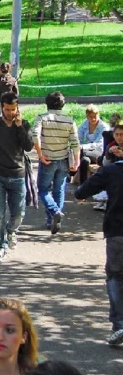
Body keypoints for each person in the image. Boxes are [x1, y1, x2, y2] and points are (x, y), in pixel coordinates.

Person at [74, 131, 123, 346]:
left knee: (115, 276)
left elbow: (82, 191)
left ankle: (119, 324)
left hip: (117, 230)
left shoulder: (111, 171)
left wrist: (80, 193)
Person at [0, 92, 33, 263]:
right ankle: (0, 247)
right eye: (7, 109)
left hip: (18, 175)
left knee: (18, 213)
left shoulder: (24, 124)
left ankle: (11, 230)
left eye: (13, 109)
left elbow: (28, 146)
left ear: (17, 108)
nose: (10, 112)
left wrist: (20, 127)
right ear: (1, 108)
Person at [32, 91, 79, 234]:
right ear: (63, 104)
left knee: (43, 190)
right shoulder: (69, 120)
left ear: (47, 103)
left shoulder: (41, 118)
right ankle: (52, 219)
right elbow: (75, 143)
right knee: (59, 190)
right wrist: (76, 161)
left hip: (47, 159)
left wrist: (40, 154)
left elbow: (35, 136)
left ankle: (54, 212)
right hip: (64, 160)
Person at [76, 104, 108, 193]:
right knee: (85, 160)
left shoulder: (103, 127)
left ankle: (71, 171)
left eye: (95, 116)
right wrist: (79, 145)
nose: (93, 119)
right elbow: (78, 138)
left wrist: (83, 147)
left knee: (81, 152)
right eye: (90, 117)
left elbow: (99, 143)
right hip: (86, 152)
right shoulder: (84, 125)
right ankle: (83, 186)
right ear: (87, 116)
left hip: (99, 152)